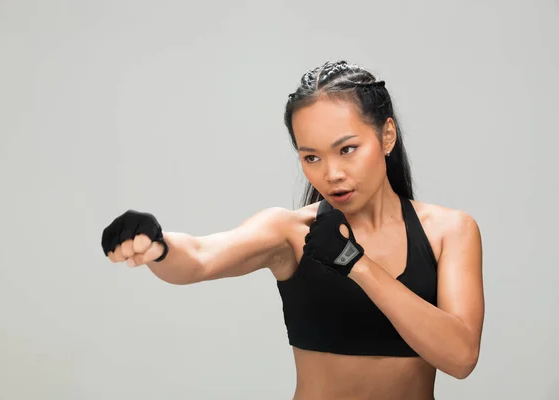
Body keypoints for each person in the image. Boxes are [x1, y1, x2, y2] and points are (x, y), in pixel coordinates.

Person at [101, 60, 485, 400]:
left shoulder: (449, 231)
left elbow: (460, 357)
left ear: (386, 135)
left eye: (347, 149)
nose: (331, 173)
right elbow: (200, 258)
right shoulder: (290, 232)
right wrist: (158, 243)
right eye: (311, 157)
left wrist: (355, 263)